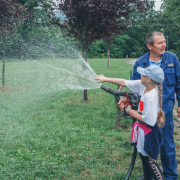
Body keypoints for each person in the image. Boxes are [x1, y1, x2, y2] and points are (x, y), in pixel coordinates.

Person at [95, 65, 165, 180]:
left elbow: (150, 120)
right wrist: (105, 79)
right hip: (143, 130)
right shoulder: (144, 86)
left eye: (142, 74)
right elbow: (124, 82)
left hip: (150, 133)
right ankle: (147, 178)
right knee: (143, 156)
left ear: (148, 79)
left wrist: (132, 112)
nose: (140, 75)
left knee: (150, 160)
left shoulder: (151, 96)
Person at [131, 31, 180, 180]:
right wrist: (127, 100)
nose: (163, 45)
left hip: (164, 113)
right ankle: (149, 175)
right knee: (146, 146)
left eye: (164, 41)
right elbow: (134, 86)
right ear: (149, 46)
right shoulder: (141, 62)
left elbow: (179, 83)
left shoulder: (172, 59)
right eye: (159, 42)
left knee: (167, 145)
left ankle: (170, 176)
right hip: (145, 113)